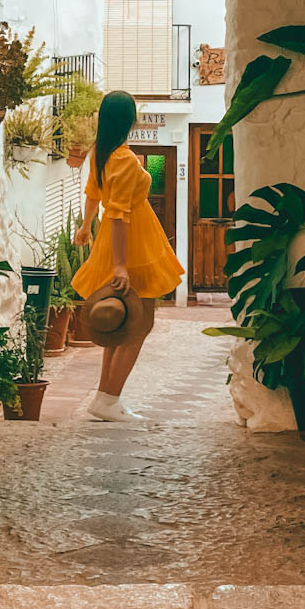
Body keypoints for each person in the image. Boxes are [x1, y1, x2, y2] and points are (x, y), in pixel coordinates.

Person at [72, 90, 184, 421]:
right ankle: (108, 399)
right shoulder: (123, 160)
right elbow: (119, 214)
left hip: (115, 239)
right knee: (138, 323)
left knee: (121, 321)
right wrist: (120, 265)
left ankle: (104, 398)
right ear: (129, 120)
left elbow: (93, 194)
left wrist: (85, 226)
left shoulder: (102, 153)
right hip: (132, 243)